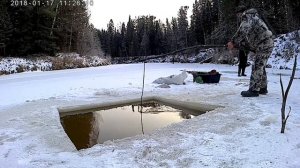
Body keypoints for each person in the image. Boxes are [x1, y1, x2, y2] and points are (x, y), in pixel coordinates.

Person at [227, 5, 274, 97]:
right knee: (261, 65)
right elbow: (248, 38)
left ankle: (254, 90)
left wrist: (233, 42)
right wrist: (236, 45)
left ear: (240, 13)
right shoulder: (253, 17)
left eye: (238, 15)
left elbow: (242, 31)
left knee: (257, 65)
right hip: (265, 43)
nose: (238, 17)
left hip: (264, 43)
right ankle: (262, 88)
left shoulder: (248, 17)